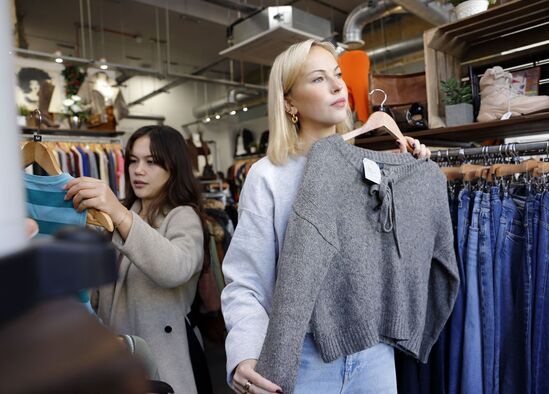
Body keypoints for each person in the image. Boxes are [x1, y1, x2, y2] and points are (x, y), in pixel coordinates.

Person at [221, 39, 432, 394]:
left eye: (337, 75)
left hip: (374, 351)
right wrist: (243, 355)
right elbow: (246, 281)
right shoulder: (268, 176)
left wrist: (412, 176)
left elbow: (400, 260)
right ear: (289, 101)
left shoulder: (370, 167)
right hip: (303, 358)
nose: (338, 86)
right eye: (318, 79)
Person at [64, 125, 211, 394]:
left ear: (173, 167)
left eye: (151, 162)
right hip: (118, 356)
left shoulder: (181, 216)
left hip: (166, 360)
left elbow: (175, 269)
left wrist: (119, 214)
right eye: (132, 160)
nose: (138, 170)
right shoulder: (116, 217)